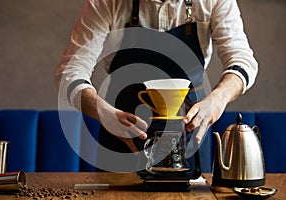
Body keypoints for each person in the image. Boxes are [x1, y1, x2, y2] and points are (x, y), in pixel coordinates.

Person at [55, 0, 258, 171]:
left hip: (189, 132)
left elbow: (242, 61)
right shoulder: (108, 3)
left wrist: (218, 99)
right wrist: (101, 111)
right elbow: (69, 72)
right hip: (124, 134)